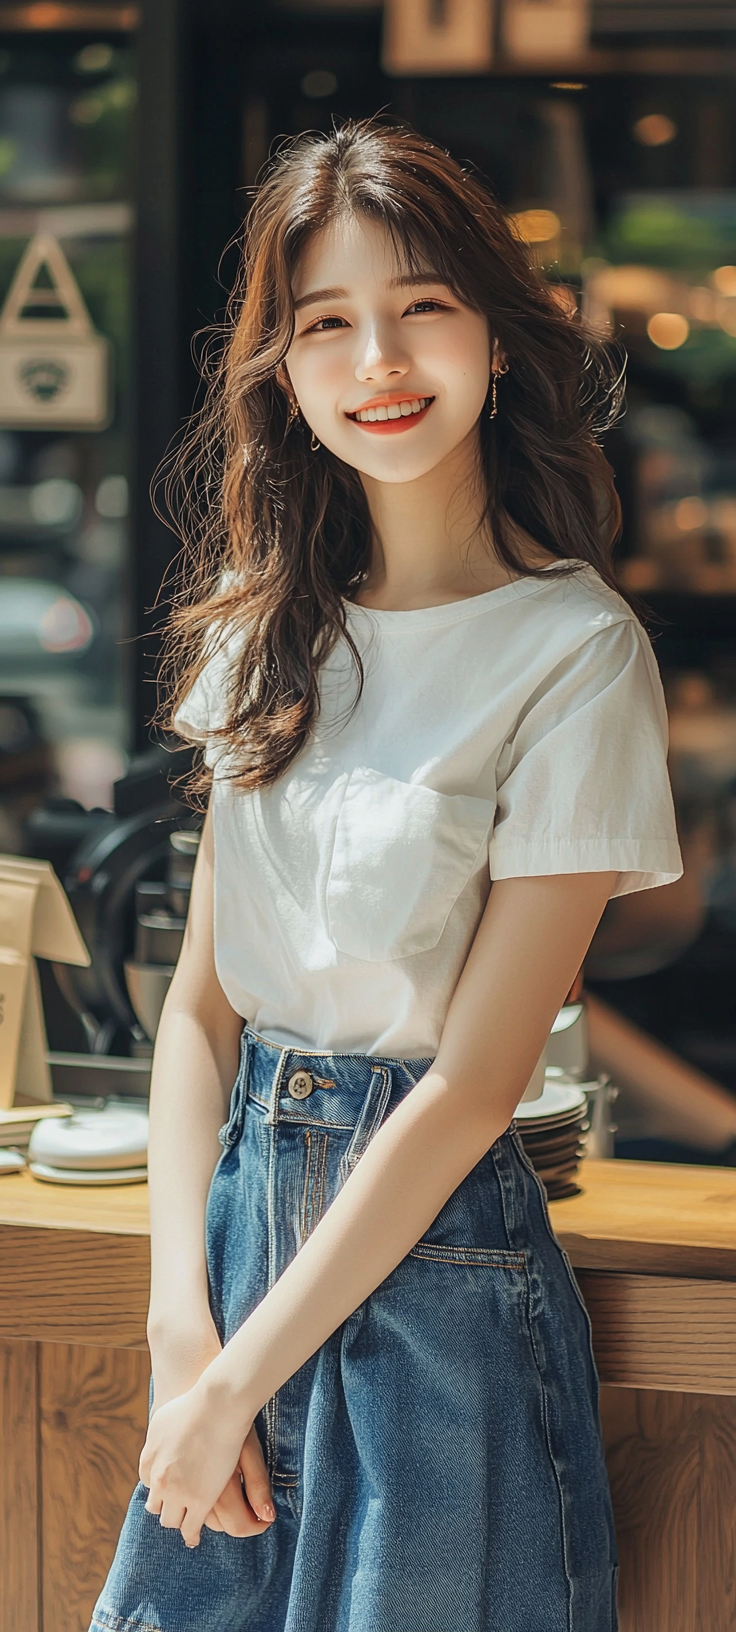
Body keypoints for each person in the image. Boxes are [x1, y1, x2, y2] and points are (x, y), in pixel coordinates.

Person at [90, 121, 682, 1632]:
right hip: (229, 1267)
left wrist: (234, 1378)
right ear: (281, 374)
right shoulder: (258, 632)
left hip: (436, 1289)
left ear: (494, 329)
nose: (381, 359)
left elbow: (473, 1089)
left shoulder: (574, 653)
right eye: (327, 323)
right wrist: (182, 1337)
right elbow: (200, 1019)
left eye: (421, 305)